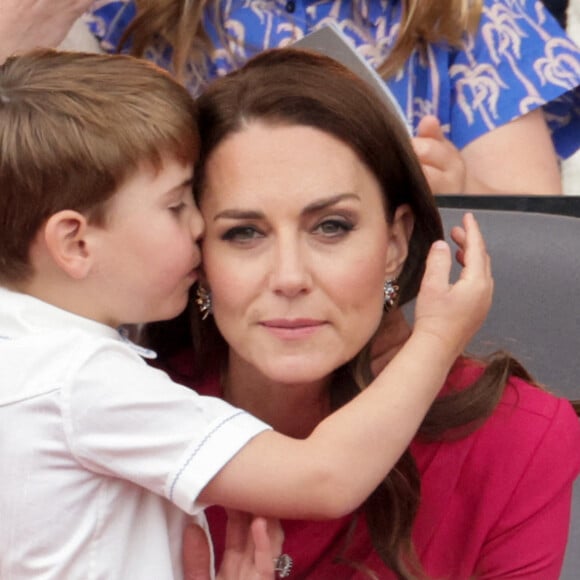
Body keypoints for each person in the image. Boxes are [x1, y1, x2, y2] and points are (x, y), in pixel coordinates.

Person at [0, 49, 493, 579]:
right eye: (177, 206)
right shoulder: (83, 380)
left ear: (396, 240)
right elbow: (325, 478)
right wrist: (439, 336)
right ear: (74, 242)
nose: (198, 228)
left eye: (331, 226)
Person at [151, 48, 580, 579]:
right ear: (198, 255)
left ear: (396, 243)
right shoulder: (119, 411)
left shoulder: (519, 437)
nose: (289, 277)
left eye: (331, 226)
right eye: (244, 233)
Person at [84, 0, 580, 195]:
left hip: (413, 319)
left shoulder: (480, 15)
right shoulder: (147, 13)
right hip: (212, 320)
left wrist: (458, 190)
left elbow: (535, 225)